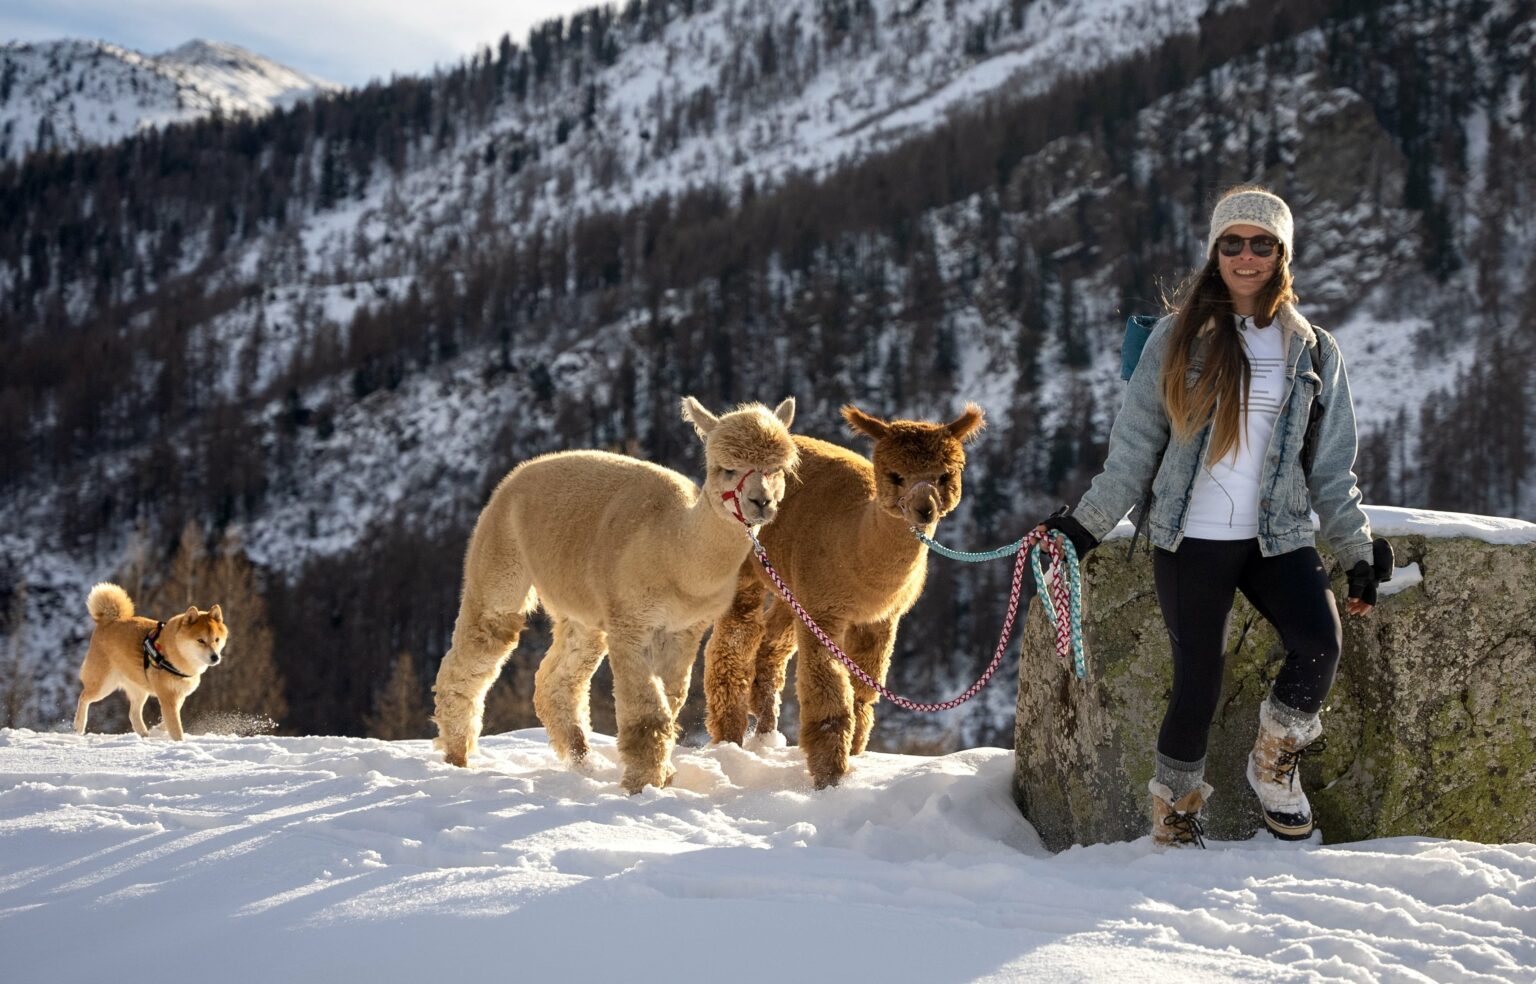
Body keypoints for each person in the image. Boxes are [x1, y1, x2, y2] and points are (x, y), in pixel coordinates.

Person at [1034, 185, 1387, 848]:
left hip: (1276, 536)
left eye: (1261, 244)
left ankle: (1273, 762)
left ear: (1281, 255)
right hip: (1189, 537)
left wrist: (1358, 550)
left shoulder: (1313, 349)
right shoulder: (1175, 339)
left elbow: (1332, 468)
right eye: (1233, 243)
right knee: (1198, 679)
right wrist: (1084, 526)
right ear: (1215, 252)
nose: (1246, 257)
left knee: (1320, 641)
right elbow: (1134, 448)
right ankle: (1176, 813)